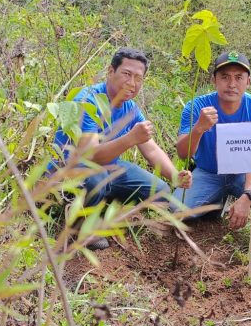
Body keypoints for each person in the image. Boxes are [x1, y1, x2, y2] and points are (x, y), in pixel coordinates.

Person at [52, 48, 191, 250]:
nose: (132, 83)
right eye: (126, 74)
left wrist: (175, 176)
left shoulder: (131, 108)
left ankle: (107, 212)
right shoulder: (88, 100)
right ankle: (81, 226)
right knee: (95, 180)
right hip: (74, 169)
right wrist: (130, 138)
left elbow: (150, 149)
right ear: (110, 71)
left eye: (138, 78)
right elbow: (90, 156)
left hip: (110, 167)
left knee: (160, 191)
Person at [174, 51, 251, 235]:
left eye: (238, 77)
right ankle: (214, 206)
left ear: (248, 81)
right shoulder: (196, 106)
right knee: (176, 212)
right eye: (225, 77)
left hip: (243, 174)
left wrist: (248, 195)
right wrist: (199, 128)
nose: (231, 84)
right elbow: (183, 153)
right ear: (214, 79)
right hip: (208, 172)